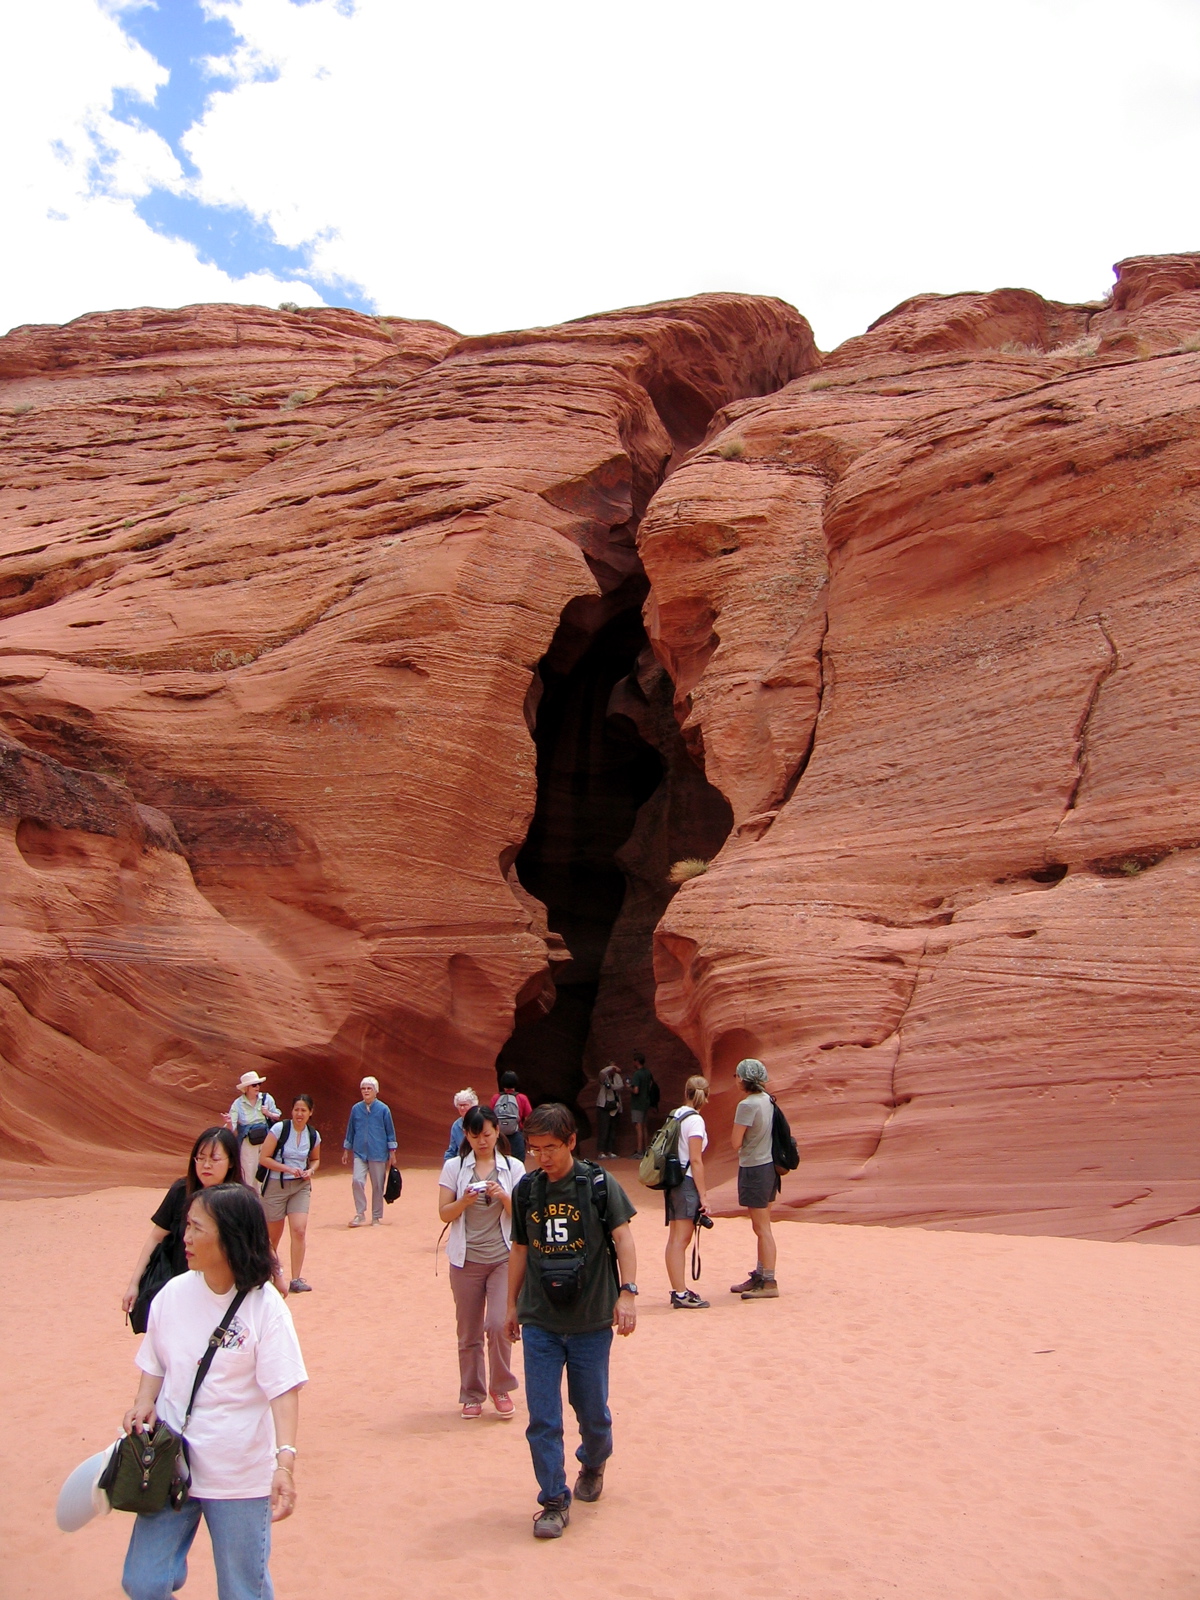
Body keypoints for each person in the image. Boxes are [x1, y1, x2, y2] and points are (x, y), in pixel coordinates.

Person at [119, 1183, 307, 1600]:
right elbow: (155, 1362)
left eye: (196, 1228)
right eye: (186, 1226)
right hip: (172, 1465)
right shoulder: (172, 1294)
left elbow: (283, 1391)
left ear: (230, 1238)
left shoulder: (266, 1307)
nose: (184, 1238)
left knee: (243, 1590)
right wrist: (143, 1402)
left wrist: (285, 1463)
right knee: (143, 1582)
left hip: (238, 1475)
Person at [505, 1102, 638, 1539]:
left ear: (571, 1142)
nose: (543, 1157)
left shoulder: (598, 1185)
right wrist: (510, 1306)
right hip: (541, 1320)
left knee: (592, 1413)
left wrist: (627, 1293)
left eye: (551, 1148)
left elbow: (623, 1237)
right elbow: (520, 1251)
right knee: (542, 1417)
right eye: (535, 1149)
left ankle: (594, 1459)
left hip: (590, 1322)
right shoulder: (527, 1191)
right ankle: (553, 1501)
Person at [437, 1104, 526, 1419]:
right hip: (465, 1260)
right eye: (475, 1136)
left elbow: (522, 1217)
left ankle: (500, 1386)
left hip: (503, 1259)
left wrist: (503, 1196)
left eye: (487, 1134)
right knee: (469, 1330)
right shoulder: (454, 1168)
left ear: (497, 1131)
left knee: (499, 1323)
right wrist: (464, 1200)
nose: (482, 1141)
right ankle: (471, 1394)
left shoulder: (513, 1168)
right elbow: (443, 1213)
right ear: (466, 1136)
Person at [122, 1128, 245, 1318]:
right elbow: (155, 1238)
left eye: (214, 1159)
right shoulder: (181, 1191)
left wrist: (277, 1275)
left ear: (231, 1163)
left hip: (225, 1294)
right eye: (201, 1158)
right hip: (181, 1291)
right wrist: (134, 1284)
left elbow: (258, 1243)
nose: (206, 1165)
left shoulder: (242, 1199)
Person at [258, 1095, 321, 1293]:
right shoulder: (279, 1130)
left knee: (299, 1231)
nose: (299, 1114)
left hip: (300, 1187)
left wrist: (310, 1171)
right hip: (276, 1186)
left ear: (310, 1112)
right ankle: (268, 1276)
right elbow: (264, 1158)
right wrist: (286, 1169)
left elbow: (315, 1159)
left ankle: (296, 1279)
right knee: (272, 1238)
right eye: (296, 1110)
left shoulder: (313, 1135)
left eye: (303, 1110)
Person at [730, 1057, 780, 1299]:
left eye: (737, 1075)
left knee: (762, 1228)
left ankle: (769, 1281)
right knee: (762, 1226)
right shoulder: (768, 1100)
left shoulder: (747, 1105)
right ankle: (761, 1275)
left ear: (744, 1079)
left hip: (754, 1168)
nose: (735, 1079)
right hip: (769, 1167)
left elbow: (735, 1142)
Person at [664, 1075, 711, 1310]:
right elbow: (695, 1159)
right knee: (681, 1239)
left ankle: (678, 1289)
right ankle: (680, 1293)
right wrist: (703, 1195)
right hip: (686, 1182)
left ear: (686, 1092)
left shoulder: (676, 1114)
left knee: (675, 1238)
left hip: (673, 1182)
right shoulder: (695, 1121)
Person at [341, 1076, 398, 1226]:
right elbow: (350, 1129)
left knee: (378, 1185)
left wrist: (392, 1152)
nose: (366, 1091)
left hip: (378, 1152)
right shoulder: (356, 1109)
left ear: (375, 1091)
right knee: (357, 1181)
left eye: (369, 1088)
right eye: (363, 1088)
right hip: (360, 1151)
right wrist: (347, 1149)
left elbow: (390, 1131)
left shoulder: (383, 1109)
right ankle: (360, 1213)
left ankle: (376, 1216)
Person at [227, 1073, 281, 1186]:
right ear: (246, 1088)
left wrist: (268, 1113)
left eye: (258, 1084)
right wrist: (227, 1122)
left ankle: (263, 1200)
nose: (257, 1087)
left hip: (265, 1140)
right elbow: (232, 1126)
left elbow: (277, 1116)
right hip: (248, 1142)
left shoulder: (266, 1099)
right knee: (248, 1172)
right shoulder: (238, 1104)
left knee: (264, 1171)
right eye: (254, 1085)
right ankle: (250, 1199)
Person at [490, 1071, 532, 1162]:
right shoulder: (522, 1098)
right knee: (518, 1162)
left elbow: (491, 1116)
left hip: (499, 1136)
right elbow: (529, 1117)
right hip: (516, 1134)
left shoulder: (495, 1098)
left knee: (499, 1161)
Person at [594, 1061, 625, 1159]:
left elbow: (620, 1087)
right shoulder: (604, 1077)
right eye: (611, 1067)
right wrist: (611, 1067)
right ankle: (601, 1152)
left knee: (612, 1130)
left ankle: (610, 1151)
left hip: (615, 1106)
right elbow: (602, 1073)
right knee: (604, 1129)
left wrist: (611, 1086)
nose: (613, 1069)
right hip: (604, 1106)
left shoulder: (617, 1077)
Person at [628, 1051, 655, 1156]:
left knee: (638, 1127)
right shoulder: (647, 1072)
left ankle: (639, 1151)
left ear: (637, 1062)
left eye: (634, 1061)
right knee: (644, 1127)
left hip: (637, 1103)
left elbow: (635, 1090)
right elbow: (651, 1083)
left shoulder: (637, 1074)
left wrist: (628, 1087)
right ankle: (646, 1150)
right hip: (645, 1102)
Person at [444, 1088, 479, 1161]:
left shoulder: (481, 1121)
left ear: (473, 1105)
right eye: (460, 1105)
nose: (462, 1108)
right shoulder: (456, 1125)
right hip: (461, 1163)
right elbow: (452, 1150)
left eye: (465, 1105)